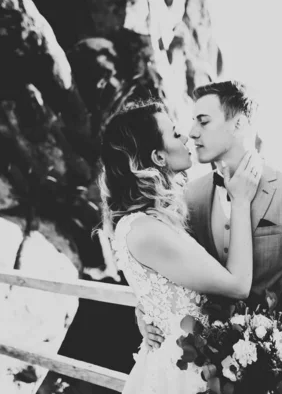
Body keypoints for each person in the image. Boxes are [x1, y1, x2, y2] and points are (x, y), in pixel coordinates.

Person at [138, 80, 282, 350]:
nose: (192, 133)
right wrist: (144, 313)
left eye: (203, 122)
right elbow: (165, 270)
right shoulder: (189, 196)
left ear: (239, 124)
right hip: (201, 369)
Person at [98, 100, 262, 394]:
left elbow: (162, 285)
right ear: (158, 156)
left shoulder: (150, 220)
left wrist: (146, 311)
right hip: (183, 374)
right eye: (175, 134)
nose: (186, 136)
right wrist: (240, 201)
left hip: (192, 361)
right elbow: (237, 285)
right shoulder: (145, 229)